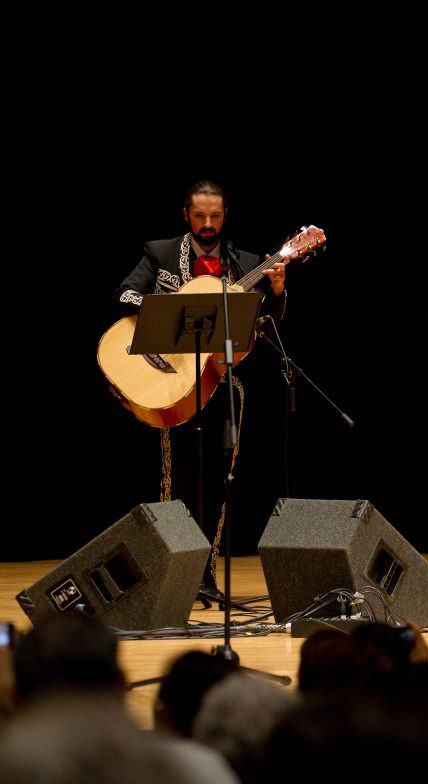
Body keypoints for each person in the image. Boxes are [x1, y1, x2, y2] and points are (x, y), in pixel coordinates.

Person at [112, 181, 288, 600]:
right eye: (199, 217)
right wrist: (167, 312)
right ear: (186, 216)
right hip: (171, 383)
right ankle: (172, 573)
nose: (207, 225)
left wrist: (278, 290)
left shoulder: (244, 263)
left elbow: (268, 324)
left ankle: (204, 576)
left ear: (225, 216)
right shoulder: (162, 253)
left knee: (218, 484)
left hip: (222, 386)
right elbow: (124, 293)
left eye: (215, 217)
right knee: (176, 485)